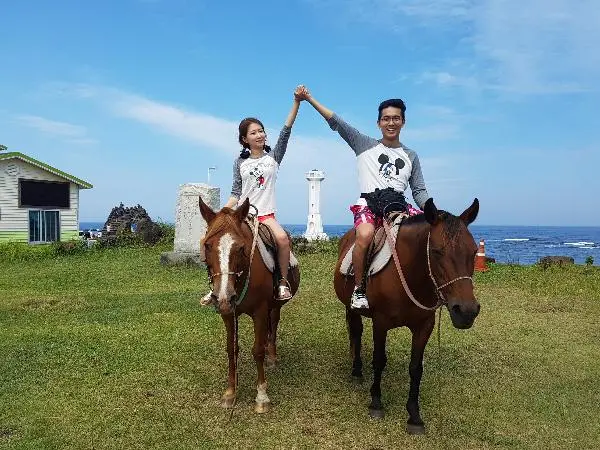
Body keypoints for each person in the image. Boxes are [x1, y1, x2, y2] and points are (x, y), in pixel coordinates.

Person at [296, 86, 430, 309]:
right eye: (386, 119)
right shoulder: (364, 144)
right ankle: (359, 289)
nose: (391, 123)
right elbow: (337, 122)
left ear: (403, 122)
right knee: (366, 235)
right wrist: (309, 99)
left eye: (396, 118)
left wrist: (432, 210)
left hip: (399, 206)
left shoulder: (411, 155)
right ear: (379, 123)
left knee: (427, 234)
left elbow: (418, 191)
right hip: (369, 204)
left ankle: (429, 286)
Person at [201, 86, 304, 305]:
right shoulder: (239, 163)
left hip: (265, 215)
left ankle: (282, 282)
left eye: (261, 131)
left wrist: (296, 102)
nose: (260, 135)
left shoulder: (273, 157)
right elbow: (236, 192)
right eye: (254, 133)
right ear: (244, 139)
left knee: (282, 239)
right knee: (211, 241)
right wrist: (223, 213)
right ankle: (215, 287)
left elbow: (286, 130)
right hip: (241, 216)